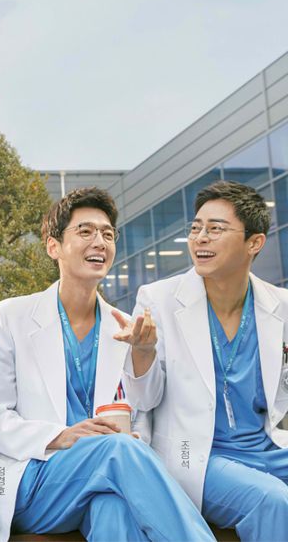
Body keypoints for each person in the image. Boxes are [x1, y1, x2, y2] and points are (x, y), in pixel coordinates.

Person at [0, 186, 216, 542]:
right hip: (34, 478)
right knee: (118, 451)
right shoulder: (10, 316)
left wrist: (144, 353)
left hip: (107, 475)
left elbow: (143, 410)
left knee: (114, 511)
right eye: (85, 231)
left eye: (108, 234)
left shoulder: (123, 325)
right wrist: (62, 436)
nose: (100, 242)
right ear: (53, 246)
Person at [126, 179, 288, 540]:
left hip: (266, 448)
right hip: (197, 456)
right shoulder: (159, 300)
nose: (200, 238)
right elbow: (143, 400)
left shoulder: (281, 306)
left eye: (215, 229)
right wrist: (142, 352)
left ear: (254, 243)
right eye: (196, 228)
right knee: (274, 501)